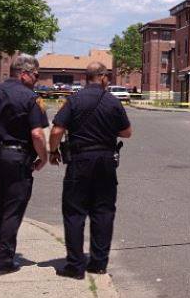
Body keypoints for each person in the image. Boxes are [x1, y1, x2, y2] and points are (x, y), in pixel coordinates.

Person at [49, 61, 132, 279]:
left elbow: (56, 130)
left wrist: (53, 151)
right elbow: (127, 132)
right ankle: (98, 264)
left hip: (79, 160)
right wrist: (107, 130)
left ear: (87, 78)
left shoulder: (73, 100)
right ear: (103, 77)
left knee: (74, 212)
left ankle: (75, 266)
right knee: (103, 211)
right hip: (106, 160)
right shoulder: (113, 101)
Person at [0, 54, 48, 275]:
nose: (36, 79)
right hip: (17, 158)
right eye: (35, 75)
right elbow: (37, 134)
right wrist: (43, 157)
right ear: (24, 74)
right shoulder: (31, 98)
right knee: (12, 210)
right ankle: (3, 261)